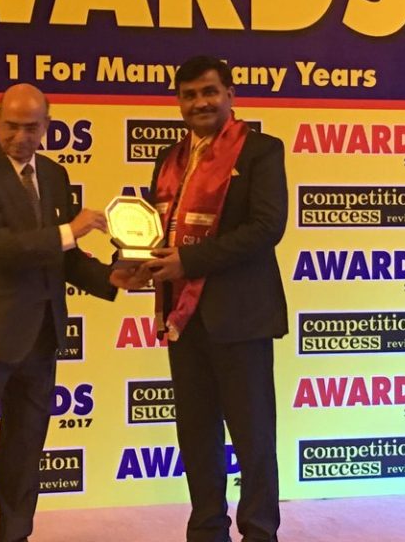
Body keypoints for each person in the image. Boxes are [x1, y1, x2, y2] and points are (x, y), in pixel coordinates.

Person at [0, 83, 143, 542]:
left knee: (25, 451)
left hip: (41, 336)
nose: (20, 137)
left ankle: (16, 536)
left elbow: (62, 257)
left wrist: (109, 278)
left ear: (47, 126)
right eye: (11, 126)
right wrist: (69, 230)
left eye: (31, 128)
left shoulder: (53, 174)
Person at [143, 56, 289, 542]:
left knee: (253, 436)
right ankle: (206, 529)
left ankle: (260, 531)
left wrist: (188, 261)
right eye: (189, 95)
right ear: (178, 102)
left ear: (230, 94)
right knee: (196, 433)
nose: (200, 103)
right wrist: (140, 262)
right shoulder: (169, 159)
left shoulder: (261, 151)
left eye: (209, 92)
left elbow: (266, 228)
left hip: (240, 317)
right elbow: (160, 230)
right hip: (183, 318)